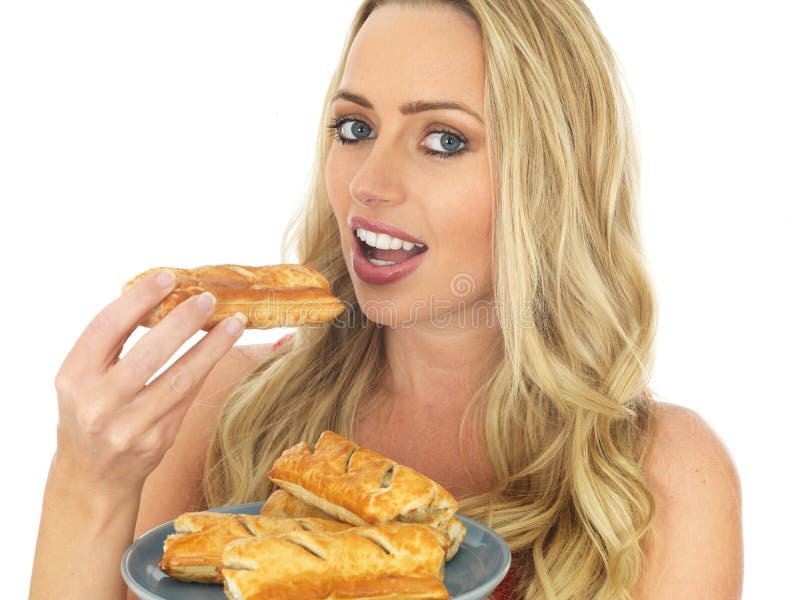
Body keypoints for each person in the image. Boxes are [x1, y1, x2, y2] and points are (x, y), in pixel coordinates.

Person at [30, 1, 743, 598]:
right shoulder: (225, 406)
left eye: (443, 140)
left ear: (549, 178)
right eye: (356, 128)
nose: (367, 184)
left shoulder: (662, 477)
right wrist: (87, 481)